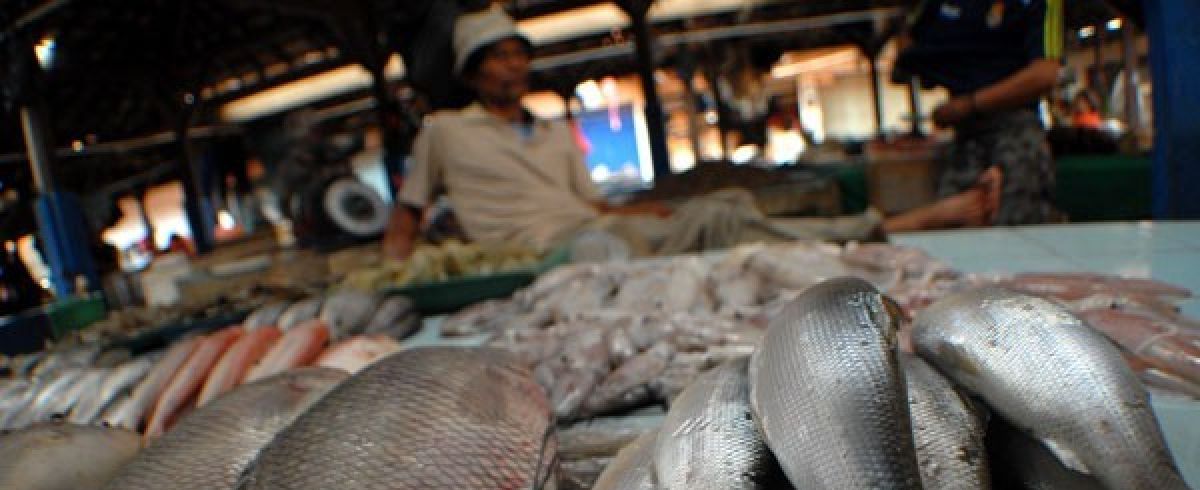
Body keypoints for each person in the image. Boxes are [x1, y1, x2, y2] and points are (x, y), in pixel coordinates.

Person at [384, 5, 1005, 263]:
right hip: (554, 254)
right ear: (470, 72)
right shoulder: (444, 134)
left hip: (596, 227)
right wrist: (393, 276)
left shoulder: (552, 132)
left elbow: (595, 204)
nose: (511, 67)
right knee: (722, 220)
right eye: (496, 58)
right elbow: (408, 216)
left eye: (518, 55)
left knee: (728, 204)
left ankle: (873, 233)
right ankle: (889, 228)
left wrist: (652, 208)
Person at [893, 0, 1064, 224]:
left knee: (1016, 229)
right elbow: (908, 50)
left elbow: (1045, 75)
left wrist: (970, 104)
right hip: (964, 135)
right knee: (953, 229)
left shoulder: (1042, 4)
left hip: (1015, 130)